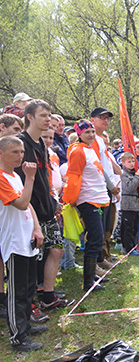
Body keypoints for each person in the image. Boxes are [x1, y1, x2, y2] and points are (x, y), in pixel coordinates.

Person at [17, 100, 73, 314]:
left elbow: (44, 178)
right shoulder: (21, 143)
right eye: (43, 115)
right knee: (32, 259)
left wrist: (53, 201)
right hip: (28, 210)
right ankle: (29, 305)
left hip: (46, 207)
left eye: (50, 115)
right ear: (30, 117)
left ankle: (48, 295)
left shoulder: (41, 144)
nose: (48, 119)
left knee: (57, 249)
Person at [0, 136, 45, 351]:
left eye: (21, 151)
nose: (20, 156)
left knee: (28, 288)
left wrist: (36, 228)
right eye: (14, 152)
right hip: (14, 242)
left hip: (27, 239)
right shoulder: (2, 178)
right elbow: (21, 203)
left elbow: (30, 208)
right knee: (17, 292)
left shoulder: (15, 176)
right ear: (1, 153)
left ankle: (26, 325)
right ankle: (18, 336)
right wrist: (31, 178)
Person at [63, 120, 112, 292]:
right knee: (95, 238)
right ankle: (88, 282)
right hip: (86, 199)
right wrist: (70, 199)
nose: (91, 135)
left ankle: (92, 275)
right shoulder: (77, 151)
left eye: (92, 131)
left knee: (96, 238)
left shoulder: (90, 149)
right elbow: (74, 176)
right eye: (87, 132)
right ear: (79, 135)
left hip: (97, 199)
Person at [89, 107, 122, 268]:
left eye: (107, 118)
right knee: (96, 229)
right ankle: (94, 263)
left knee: (105, 226)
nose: (106, 121)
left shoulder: (101, 140)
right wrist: (111, 186)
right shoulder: (92, 139)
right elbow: (98, 166)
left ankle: (101, 258)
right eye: (102, 117)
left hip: (107, 188)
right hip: (97, 188)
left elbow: (109, 165)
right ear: (92, 120)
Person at [119, 152, 139, 255]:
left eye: (133, 161)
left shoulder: (134, 173)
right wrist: (137, 178)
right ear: (123, 163)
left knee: (134, 226)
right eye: (129, 162)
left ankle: (134, 245)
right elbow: (129, 188)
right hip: (127, 204)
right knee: (128, 228)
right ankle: (128, 248)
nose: (131, 163)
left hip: (135, 204)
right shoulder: (123, 174)